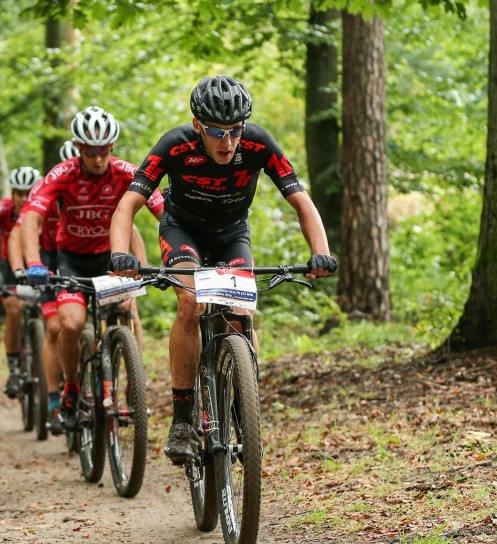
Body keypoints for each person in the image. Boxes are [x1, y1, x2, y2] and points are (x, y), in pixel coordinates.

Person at [107, 75, 337, 465]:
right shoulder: (174, 145)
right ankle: (182, 421)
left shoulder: (259, 144)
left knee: (241, 313)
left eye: (235, 130)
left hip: (231, 234)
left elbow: (301, 200)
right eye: (216, 131)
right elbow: (128, 204)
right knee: (191, 302)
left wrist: (321, 253)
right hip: (182, 230)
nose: (227, 141)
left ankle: (244, 407)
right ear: (197, 126)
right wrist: (119, 254)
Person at [21, 107, 165, 434]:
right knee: (71, 324)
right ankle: (71, 388)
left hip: (110, 259)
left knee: (127, 308)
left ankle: (132, 382)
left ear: (112, 147)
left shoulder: (126, 172)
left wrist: (179, 253)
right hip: (71, 259)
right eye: (90, 151)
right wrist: (34, 263)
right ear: (78, 147)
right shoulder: (62, 174)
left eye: (104, 151)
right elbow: (31, 218)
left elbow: (162, 211)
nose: (98, 159)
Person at [0, 165, 42, 399]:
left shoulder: (46, 206)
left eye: (28, 193)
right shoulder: (1, 209)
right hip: (9, 267)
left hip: (38, 262)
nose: (23, 199)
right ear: (12, 193)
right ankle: (14, 370)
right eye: (18, 193)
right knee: (14, 310)